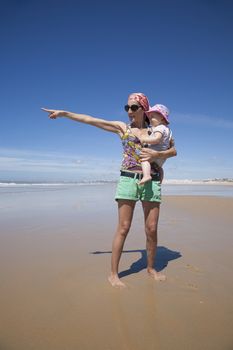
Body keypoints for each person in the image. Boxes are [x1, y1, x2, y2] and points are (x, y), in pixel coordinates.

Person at [42, 92, 177, 288]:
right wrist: (65, 113)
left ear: (144, 109)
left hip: (152, 180)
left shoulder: (157, 130)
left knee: (152, 229)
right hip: (128, 180)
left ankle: (150, 269)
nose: (129, 111)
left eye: (133, 107)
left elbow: (174, 150)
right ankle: (113, 274)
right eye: (127, 107)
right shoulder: (122, 128)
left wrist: (159, 153)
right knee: (123, 228)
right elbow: (92, 120)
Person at [138, 104, 172, 185]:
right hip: (162, 157)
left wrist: (144, 139)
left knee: (144, 160)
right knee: (159, 168)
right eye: (149, 117)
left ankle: (146, 175)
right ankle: (160, 180)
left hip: (155, 152)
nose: (150, 119)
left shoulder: (159, 128)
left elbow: (156, 139)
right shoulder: (168, 130)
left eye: (152, 116)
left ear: (162, 118)